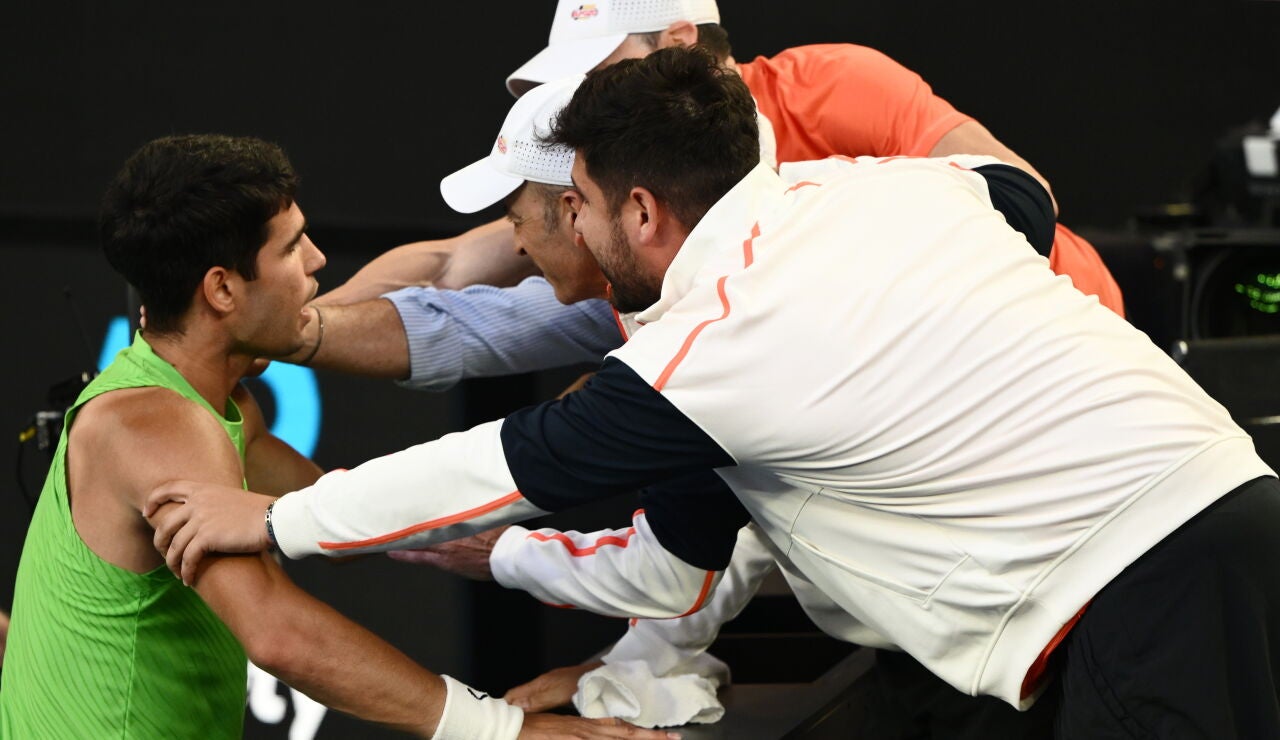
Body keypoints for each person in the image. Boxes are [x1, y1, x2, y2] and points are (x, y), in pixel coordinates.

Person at [149, 48, 1280, 738]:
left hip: (1145, 588)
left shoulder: (714, 340)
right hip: (1227, 510)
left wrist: (277, 515)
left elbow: (494, 463)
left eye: (576, 204)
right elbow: (1016, 196)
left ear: (640, 213)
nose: (563, 231)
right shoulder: (869, 190)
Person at [0, 134, 672, 740]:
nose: (319, 259)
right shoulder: (154, 427)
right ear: (223, 289)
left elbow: (331, 512)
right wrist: (505, 731)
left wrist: (463, 537)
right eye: (292, 247)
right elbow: (279, 634)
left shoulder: (216, 399)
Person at [286, 0, 1122, 395]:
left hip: (1050, 337)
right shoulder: (613, 174)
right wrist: (273, 339)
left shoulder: (830, 84)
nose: (582, 102)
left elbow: (1022, 203)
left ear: (679, 41)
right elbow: (450, 261)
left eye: (600, 68)